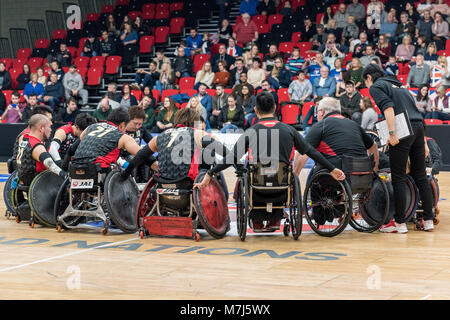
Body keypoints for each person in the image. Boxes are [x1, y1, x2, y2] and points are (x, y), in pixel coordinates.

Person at [195, 92, 346, 231]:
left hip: (257, 188)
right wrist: (331, 169)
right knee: (280, 175)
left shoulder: (251, 131)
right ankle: (275, 219)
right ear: (274, 108)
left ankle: (257, 221)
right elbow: (311, 152)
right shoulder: (289, 130)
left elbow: (231, 158)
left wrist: (210, 173)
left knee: (247, 171)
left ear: (255, 109)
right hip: (282, 187)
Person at [362, 63, 435, 232]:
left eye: (365, 82)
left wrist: (392, 133)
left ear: (368, 78)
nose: (366, 86)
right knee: (420, 175)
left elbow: (388, 108)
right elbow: (415, 114)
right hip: (417, 128)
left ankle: (400, 223)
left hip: (402, 129)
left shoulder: (376, 86)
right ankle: (428, 220)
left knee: (398, 176)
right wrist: (422, 140)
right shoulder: (399, 86)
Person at [71, 108, 157, 175]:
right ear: (123, 125)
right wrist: (155, 164)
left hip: (75, 166)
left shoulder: (92, 127)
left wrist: (63, 169)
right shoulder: (122, 136)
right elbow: (142, 154)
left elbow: (72, 149)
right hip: (96, 169)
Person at [15, 114, 68, 188]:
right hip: (37, 184)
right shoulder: (36, 145)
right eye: (49, 127)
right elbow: (50, 164)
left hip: (23, 179)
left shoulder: (24, 138)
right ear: (41, 128)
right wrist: (65, 175)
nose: (51, 129)